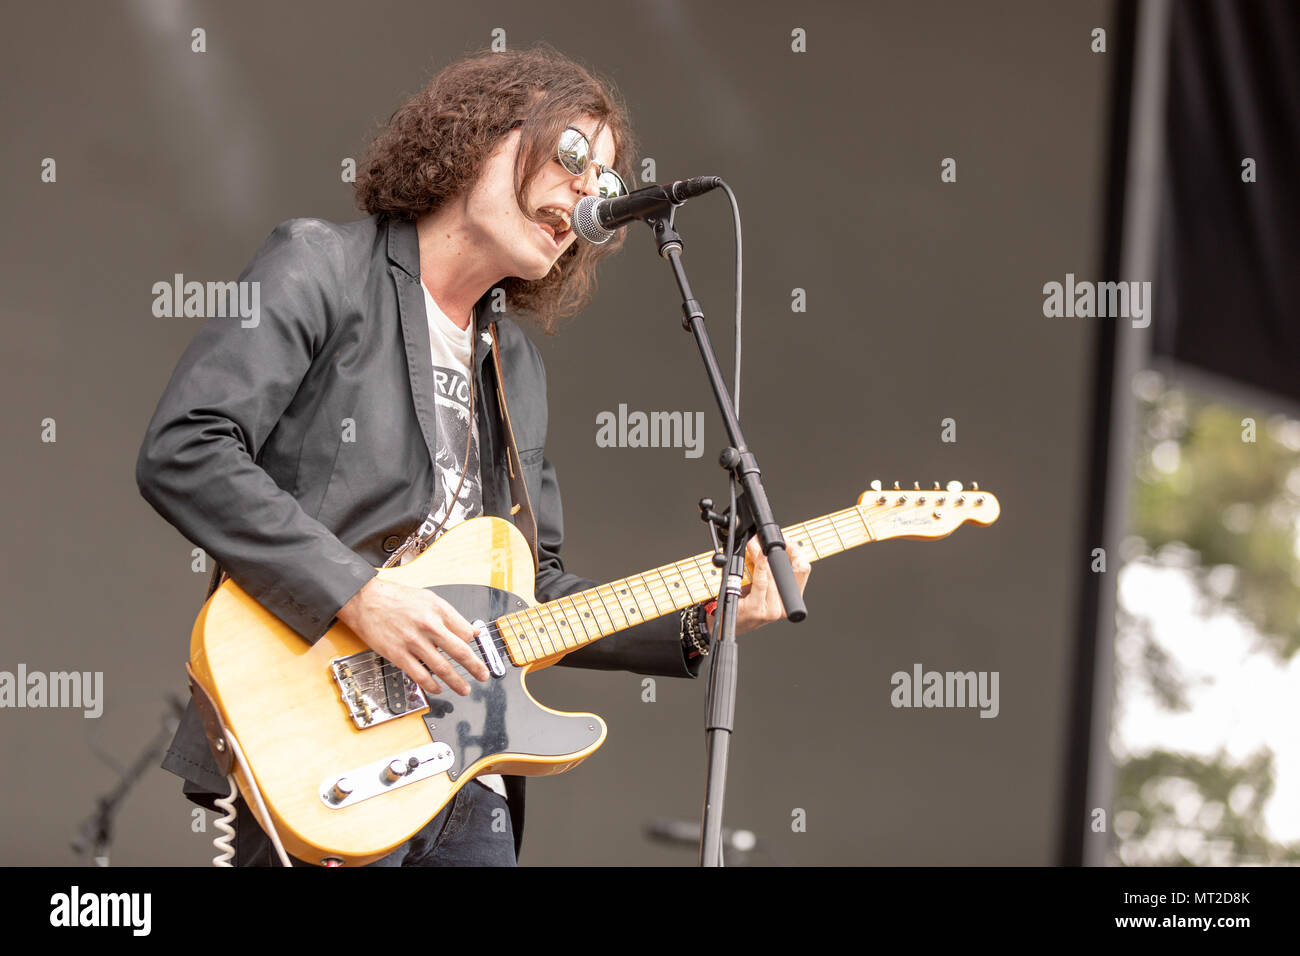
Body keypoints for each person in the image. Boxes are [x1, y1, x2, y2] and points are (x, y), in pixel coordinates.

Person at [136, 43, 810, 867]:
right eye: (571, 157)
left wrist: (712, 614)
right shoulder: (321, 267)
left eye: (603, 179)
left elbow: (536, 593)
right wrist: (360, 594)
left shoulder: (512, 363)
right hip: (318, 748)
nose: (590, 193)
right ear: (478, 138)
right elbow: (187, 447)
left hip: (466, 776)